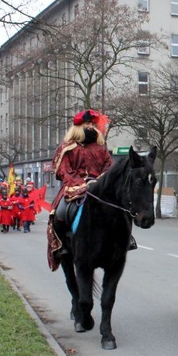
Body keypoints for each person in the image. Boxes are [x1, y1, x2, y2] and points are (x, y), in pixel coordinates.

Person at [47, 109, 134, 271]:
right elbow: (64, 171)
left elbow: (109, 168)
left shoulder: (100, 147)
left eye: (92, 124)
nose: (89, 127)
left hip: (99, 187)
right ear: (77, 127)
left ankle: (125, 239)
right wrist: (81, 184)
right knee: (60, 211)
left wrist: (102, 182)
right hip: (74, 187)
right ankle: (62, 245)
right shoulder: (67, 147)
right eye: (86, 124)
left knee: (119, 209)